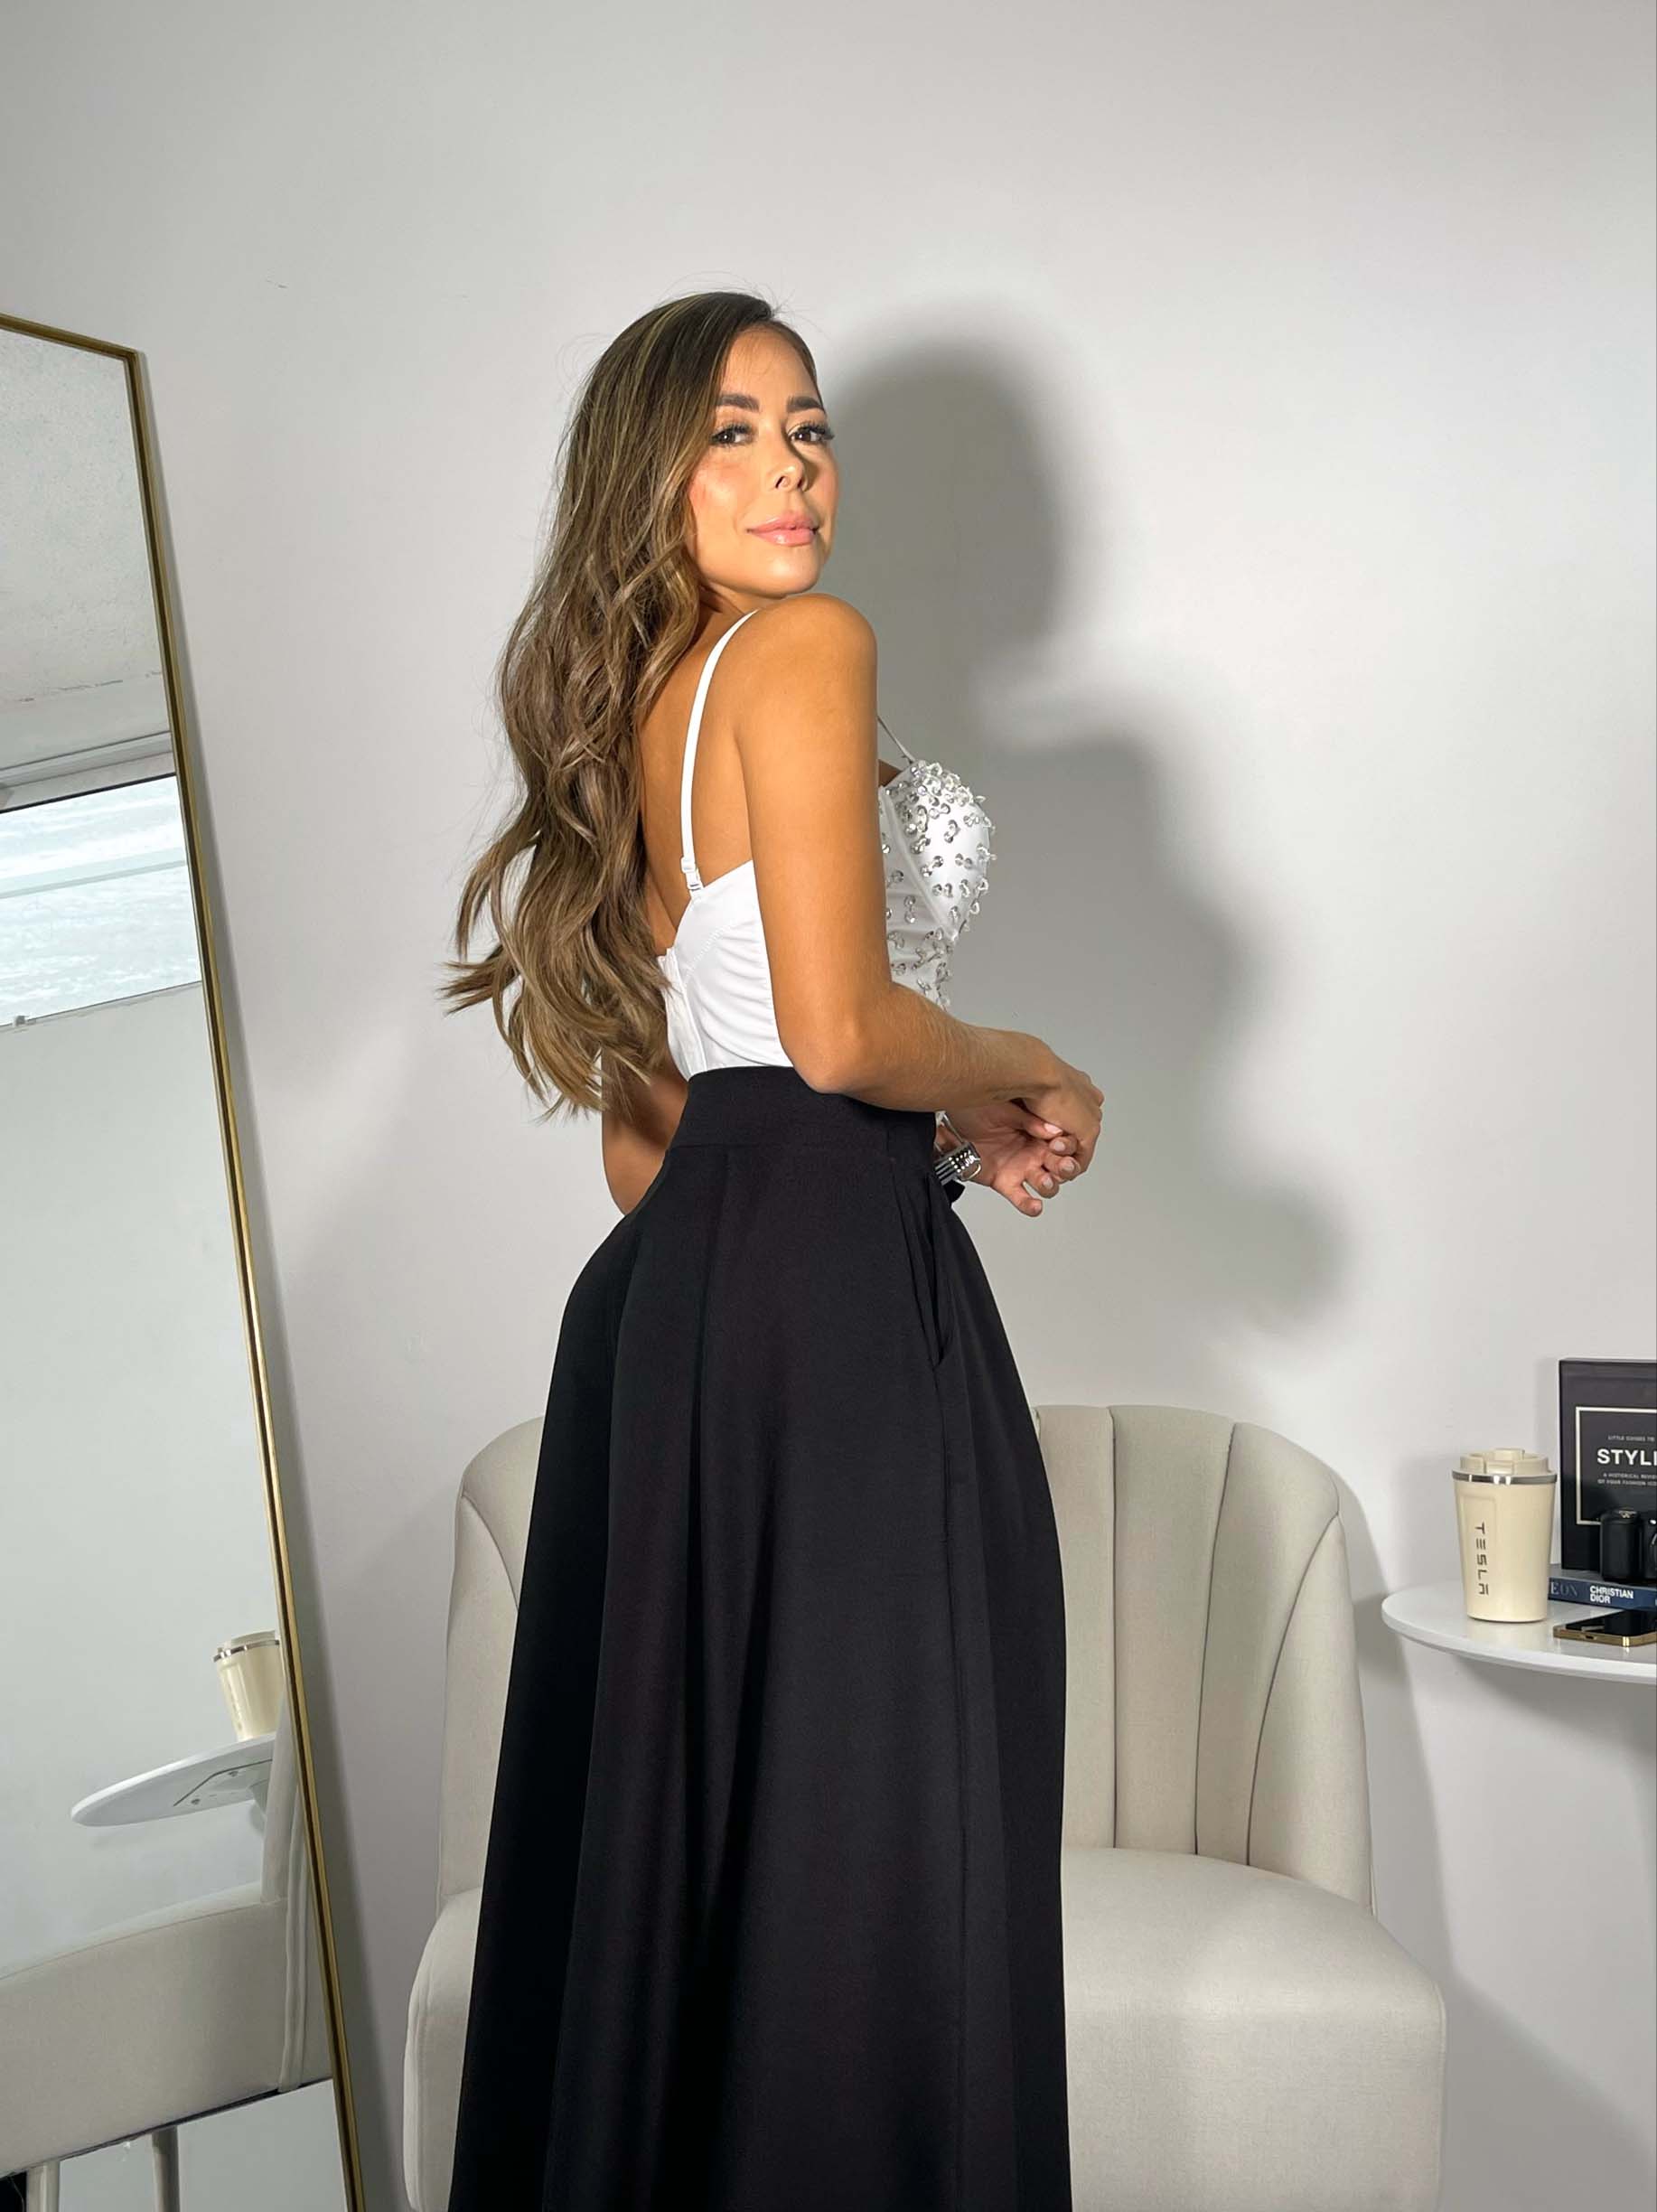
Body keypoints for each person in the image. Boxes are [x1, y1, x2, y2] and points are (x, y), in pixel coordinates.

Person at [439, 289, 1103, 2211]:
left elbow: (658, 1145)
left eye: (806, 427)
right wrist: (1026, 1070)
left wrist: (909, 1140)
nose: (787, 469)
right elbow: (834, 1035)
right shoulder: (804, 649)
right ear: (643, 476)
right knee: (890, 1851)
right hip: (829, 1307)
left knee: (701, 1872)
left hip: (680, 1311)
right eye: (729, 432)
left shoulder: (640, 713)